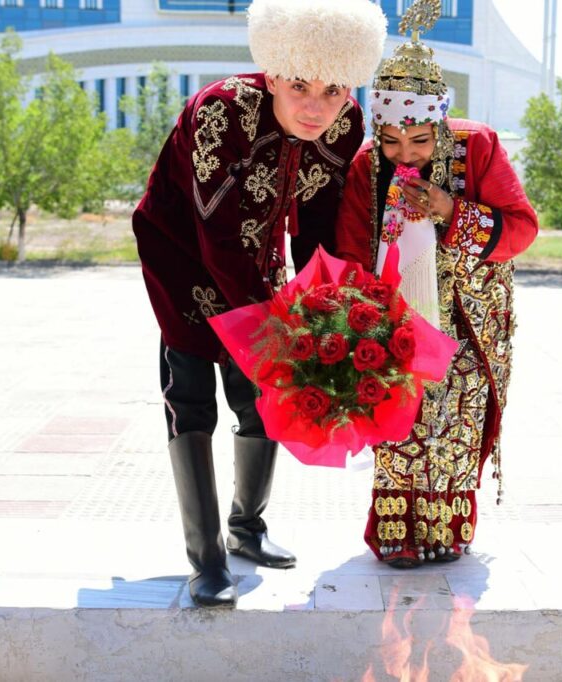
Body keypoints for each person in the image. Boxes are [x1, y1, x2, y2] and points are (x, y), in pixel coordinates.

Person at [132, 0, 387, 606]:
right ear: (272, 73)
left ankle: (247, 528)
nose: (315, 106)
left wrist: (326, 316)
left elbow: (319, 229)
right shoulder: (220, 112)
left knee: (262, 395)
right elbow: (218, 234)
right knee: (193, 396)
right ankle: (207, 559)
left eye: (332, 90)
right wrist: (279, 331)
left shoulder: (345, 124)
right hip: (182, 252)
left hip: (257, 249)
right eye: (299, 85)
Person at [334, 0, 538, 568]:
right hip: (394, 319)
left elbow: (521, 228)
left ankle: (446, 528)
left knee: (455, 422)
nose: (405, 155)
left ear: (441, 125)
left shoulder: (478, 147)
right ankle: (396, 529)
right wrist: (355, 316)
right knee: (397, 419)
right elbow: (352, 249)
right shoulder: (367, 163)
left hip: (468, 320)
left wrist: (451, 208)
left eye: (420, 141)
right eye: (393, 140)